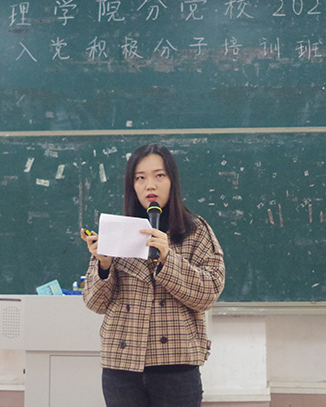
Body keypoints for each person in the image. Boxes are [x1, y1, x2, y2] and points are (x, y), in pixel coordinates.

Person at [81, 143, 225, 407]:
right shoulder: (118, 231)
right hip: (122, 367)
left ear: (172, 181)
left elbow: (208, 293)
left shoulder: (195, 231)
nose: (150, 185)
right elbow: (95, 303)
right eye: (140, 178)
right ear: (132, 186)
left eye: (159, 175)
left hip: (176, 366)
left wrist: (169, 258)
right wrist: (104, 265)